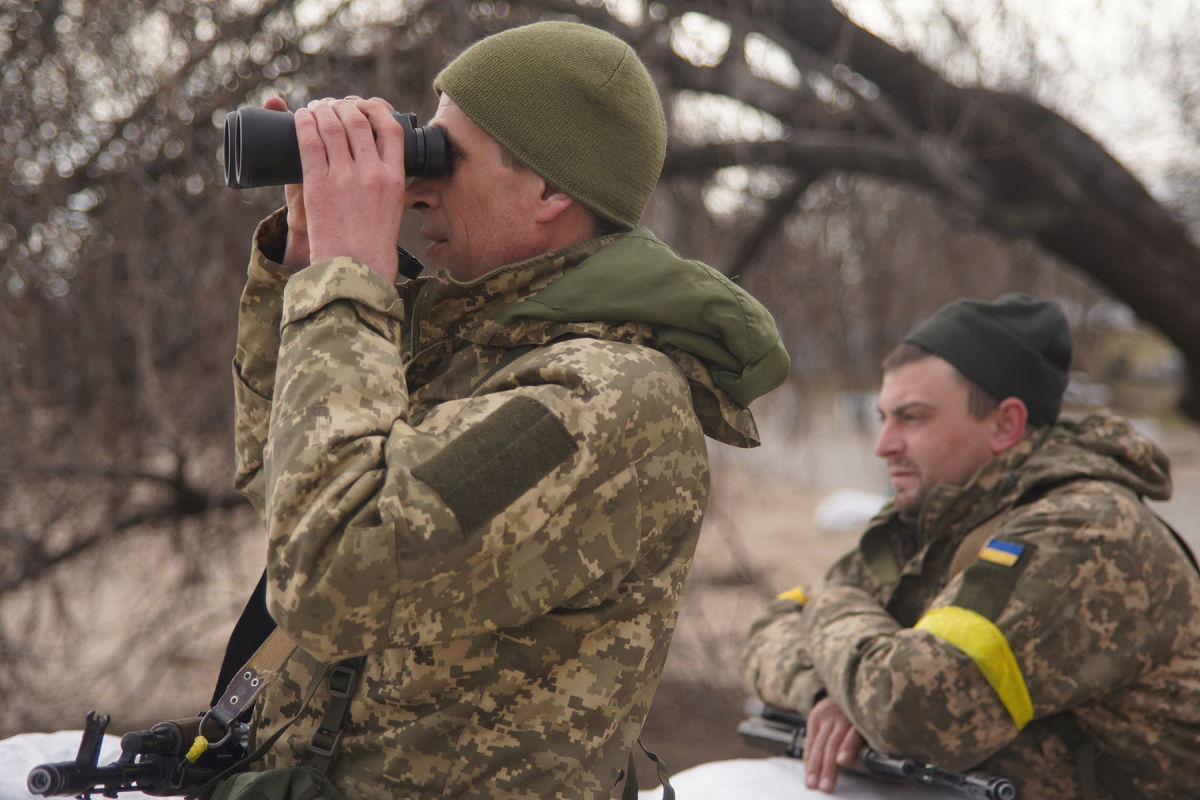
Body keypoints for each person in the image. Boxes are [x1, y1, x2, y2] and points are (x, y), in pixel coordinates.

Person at [227, 19, 789, 800]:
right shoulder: (466, 348)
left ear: (553, 190)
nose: (416, 185)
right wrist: (304, 261)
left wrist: (348, 278)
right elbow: (281, 492)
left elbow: (331, 578)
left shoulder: (603, 398)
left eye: (442, 156)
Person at [742, 294, 1200, 800]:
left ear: (1005, 424)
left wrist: (829, 605)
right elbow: (771, 626)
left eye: (912, 418)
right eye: (884, 417)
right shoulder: (938, 516)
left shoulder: (1087, 533)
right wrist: (831, 693)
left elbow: (912, 713)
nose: (884, 444)